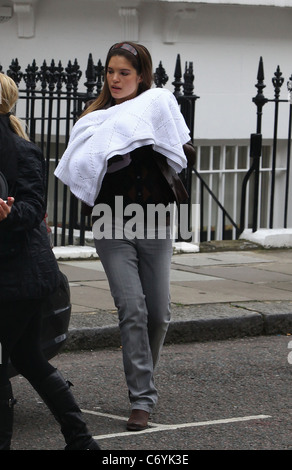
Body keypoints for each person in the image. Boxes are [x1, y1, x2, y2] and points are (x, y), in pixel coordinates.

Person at [55, 42, 196, 431]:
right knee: (131, 308)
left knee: (159, 313)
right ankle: (142, 399)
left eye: (124, 73)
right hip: (111, 222)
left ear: (142, 76)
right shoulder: (96, 118)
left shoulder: (157, 106)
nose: (115, 80)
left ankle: (142, 381)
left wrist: (150, 139)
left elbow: (179, 147)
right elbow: (81, 163)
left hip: (155, 220)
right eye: (111, 72)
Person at [0, 73, 100, 450]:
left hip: (19, 280)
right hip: (15, 280)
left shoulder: (20, 151)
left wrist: (8, 214)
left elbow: (32, 209)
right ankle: (81, 439)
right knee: (27, 356)